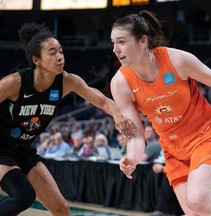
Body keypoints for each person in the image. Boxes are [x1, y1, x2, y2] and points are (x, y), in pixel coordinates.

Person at [110, 10, 211, 216]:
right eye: (113, 42)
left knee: (197, 202)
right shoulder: (120, 83)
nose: (115, 49)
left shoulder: (176, 60)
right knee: (194, 211)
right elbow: (137, 134)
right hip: (173, 148)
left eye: (122, 42)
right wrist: (132, 157)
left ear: (143, 41)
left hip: (205, 134)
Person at [0, 22, 135, 216]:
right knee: (23, 195)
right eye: (52, 52)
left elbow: (103, 101)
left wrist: (118, 115)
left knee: (61, 209)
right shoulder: (15, 82)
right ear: (36, 60)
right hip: (1, 146)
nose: (60, 56)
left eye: (60, 51)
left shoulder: (67, 81)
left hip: (24, 149)